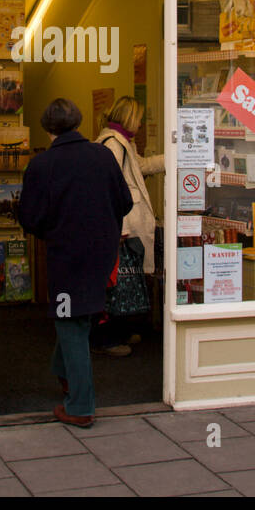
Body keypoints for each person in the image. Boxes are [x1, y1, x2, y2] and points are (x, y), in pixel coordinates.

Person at [18, 97, 132, 428]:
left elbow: (30, 218)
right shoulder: (103, 156)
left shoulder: (42, 165)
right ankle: (63, 374)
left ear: (47, 128)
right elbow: (124, 203)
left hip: (67, 257)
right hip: (102, 254)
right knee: (76, 318)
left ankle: (81, 406)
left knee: (70, 322)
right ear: (79, 123)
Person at [95, 96, 165, 355]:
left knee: (126, 279)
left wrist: (172, 158)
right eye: (139, 118)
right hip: (123, 224)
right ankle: (109, 337)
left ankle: (120, 331)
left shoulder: (122, 142)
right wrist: (120, 228)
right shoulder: (114, 145)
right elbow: (110, 188)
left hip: (126, 223)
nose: (142, 124)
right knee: (118, 283)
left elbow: (142, 166)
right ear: (130, 118)